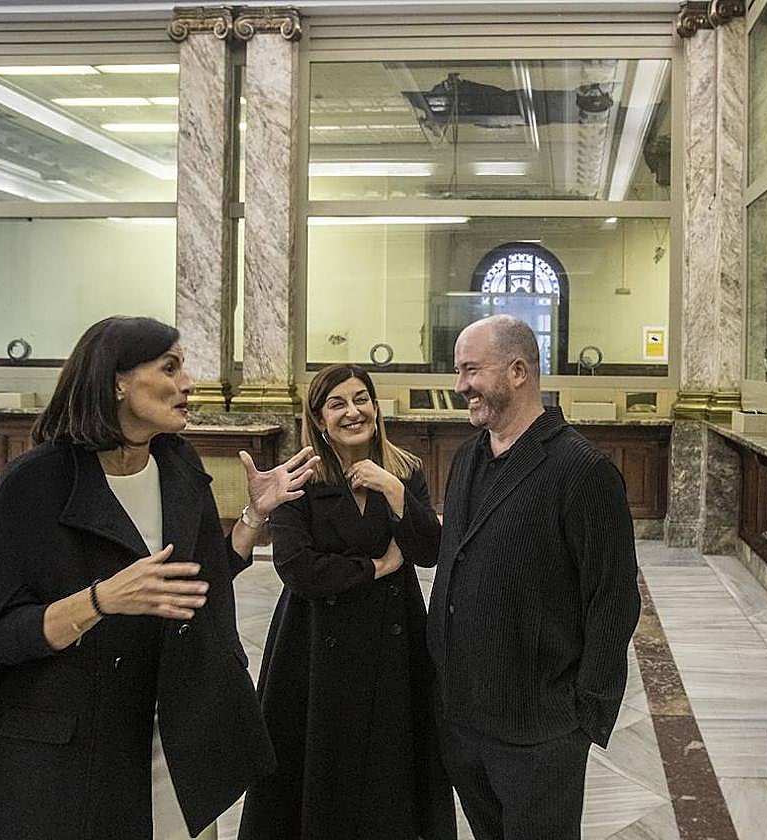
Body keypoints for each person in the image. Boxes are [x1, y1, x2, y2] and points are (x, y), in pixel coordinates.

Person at [0, 316, 319, 840]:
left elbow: (192, 587)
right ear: (118, 381)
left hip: (169, 737)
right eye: (171, 367)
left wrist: (251, 520)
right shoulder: (37, 482)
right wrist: (100, 600)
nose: (189, 383)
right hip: (74, 747)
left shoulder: (179, 467)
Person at [427, 314, 640, 840]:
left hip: (540, 731)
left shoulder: (582, 469)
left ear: (518, 371)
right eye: (458, 371)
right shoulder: (467, 458)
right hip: (464, 718)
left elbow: (613, 602)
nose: (461, 387)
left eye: (471, 370)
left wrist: (582, 717)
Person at [238, 364, 456, 840]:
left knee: (391, 761)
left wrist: (395, 493)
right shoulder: (300, 476)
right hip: (315, 646)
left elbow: (429, 551)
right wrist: (375, 569)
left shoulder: (406, 471)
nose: (353, 412)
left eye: (362, 399)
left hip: (393, 642)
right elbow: (298, 567)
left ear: (377, 408)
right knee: (319, 764)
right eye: (337, 404)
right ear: (319, 420)